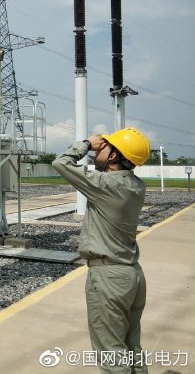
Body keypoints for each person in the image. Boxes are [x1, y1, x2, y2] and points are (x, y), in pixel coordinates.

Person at [52, 127, 151, 374]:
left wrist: (86, 143)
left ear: (114, 156)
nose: (98, 148)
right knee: (132, 348)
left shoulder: (105, 185)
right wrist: (104, 149)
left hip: (109, 279)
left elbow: (61, 163)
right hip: (133, 275)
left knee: (112, 355)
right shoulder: (137, 186)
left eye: (105, 147)